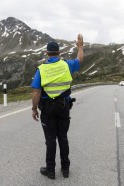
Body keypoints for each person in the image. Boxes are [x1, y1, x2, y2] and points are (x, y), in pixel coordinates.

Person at [31, 34, 84, 179]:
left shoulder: (41, 69)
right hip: (64, 107)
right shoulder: (66, 65)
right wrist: (80, 46)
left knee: (50, 140)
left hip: (47, 109)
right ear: (59, 53)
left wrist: (34, 109)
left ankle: (50, 171)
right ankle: (65, 169)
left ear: (47, 53)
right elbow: (80, 59)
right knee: (63, 137)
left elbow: (36, 92)